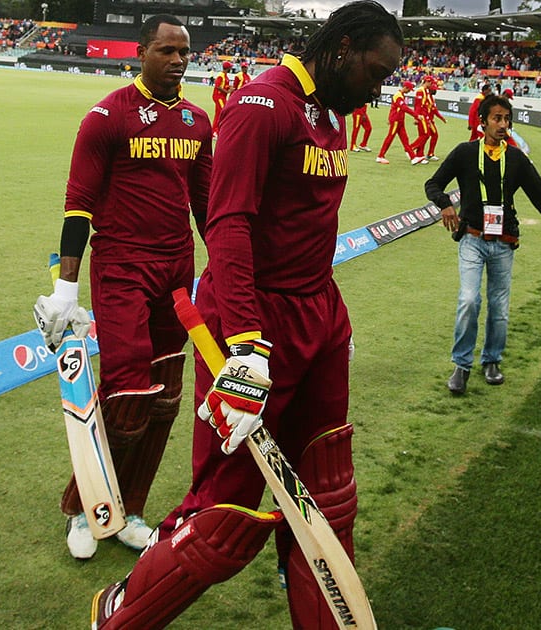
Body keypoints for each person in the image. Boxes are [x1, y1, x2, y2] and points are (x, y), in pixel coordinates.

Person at [89, 2, 404, 626]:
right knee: (224, 516)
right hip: (258, 326)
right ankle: (119, 614)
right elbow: (227, 223)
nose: (379, 88)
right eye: (375, 71)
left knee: (327, 496)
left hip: (321, 317)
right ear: (342, 48)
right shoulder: (263, 105)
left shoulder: (327, 113)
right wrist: (246, 343)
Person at [32, 14, 212, 560]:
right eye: (166, 50)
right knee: (128, 389)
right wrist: (65, 289)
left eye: (184, 51)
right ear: (141, 53)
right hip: (122, 267)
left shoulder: (197, 121)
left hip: (177, 270)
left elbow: (207, 209)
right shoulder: (107, 117)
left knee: (167, 397)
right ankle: (85, 508)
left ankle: (130, 508)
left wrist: (224, 268)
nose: (178, 60)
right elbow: (78, 205)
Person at [425, 94, 541, 395]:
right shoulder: (465, 153)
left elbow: (540, 193)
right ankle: (461, 365)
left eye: (507, 119)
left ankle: (492, 360)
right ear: (483, 122)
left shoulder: (516, 158)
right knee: (469, 300)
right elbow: (433, 184)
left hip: (504, 243)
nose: (503, 124)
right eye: (497, 118)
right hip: (472, 239)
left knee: (499, 307)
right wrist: (444, 204)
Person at [375, 79, 417, 164]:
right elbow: (403, 108)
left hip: (399, 121)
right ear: (405, 87)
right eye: (409, 89)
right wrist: (416, 115)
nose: (409, 91)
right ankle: (380, 156)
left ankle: (413, 157)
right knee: (390, 137)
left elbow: (394, 109)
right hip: (396, 121)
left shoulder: (401, 95)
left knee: (405, 139)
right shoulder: (398, 96)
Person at [211, 60, 233, 137]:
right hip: (219, 96)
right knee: (222, 113)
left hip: (222, 97)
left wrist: (229, 88)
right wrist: (226, 91)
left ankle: (214, 131)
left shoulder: (225, 76)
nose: (231, 68)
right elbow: (217, 86)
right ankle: (216, 131)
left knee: (218, 114)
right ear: (228, 68)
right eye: (230, 67)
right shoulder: (221, 75)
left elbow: (224, 85)